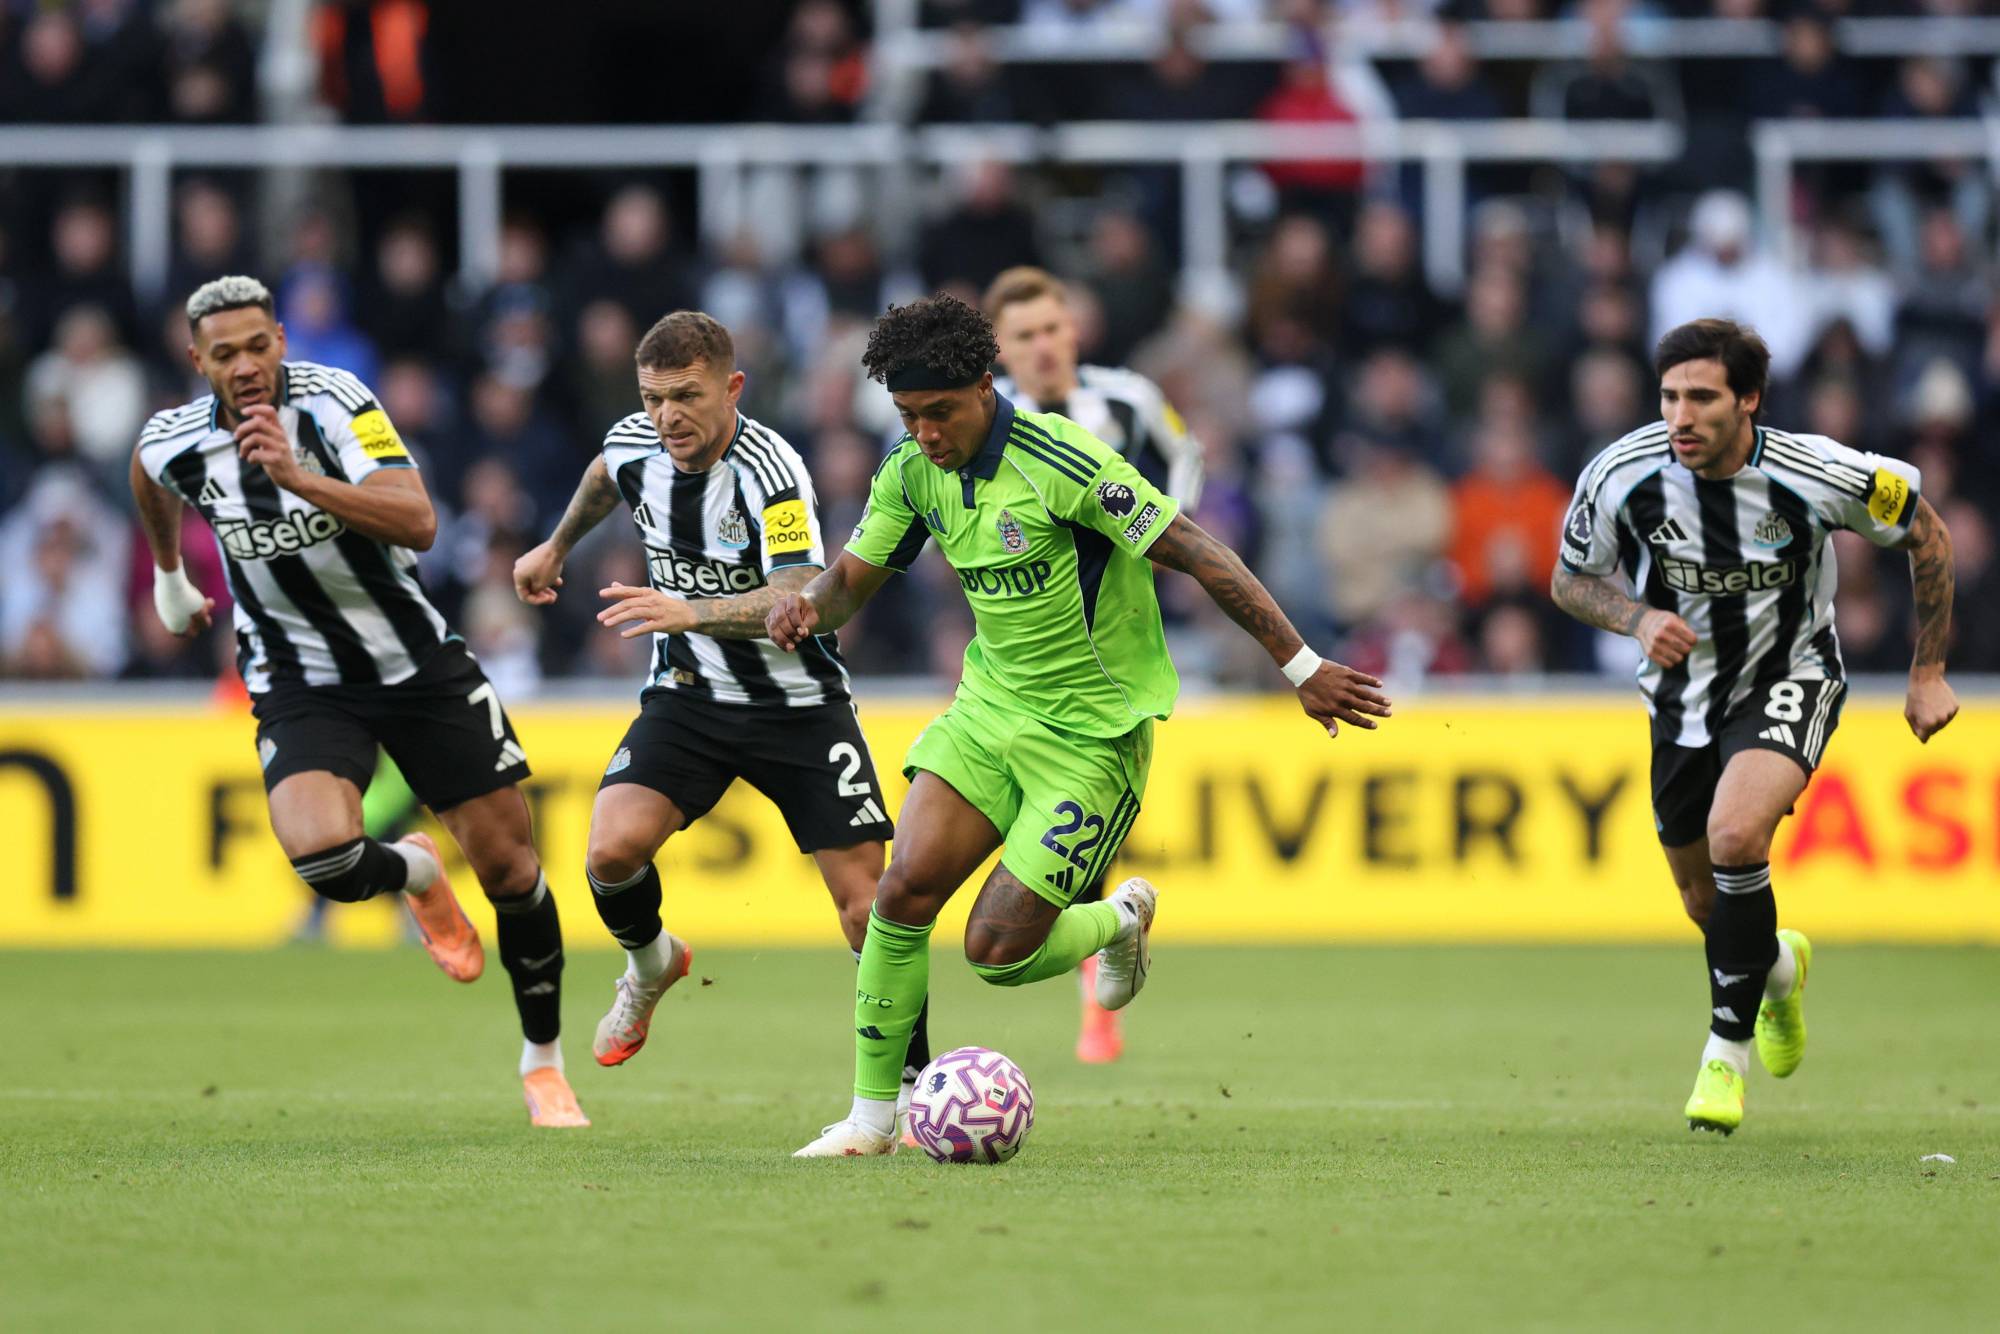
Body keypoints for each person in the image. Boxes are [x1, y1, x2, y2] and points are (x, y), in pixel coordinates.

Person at [771, 295, 1392, 1157]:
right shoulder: (912, 471)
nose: (926, 434)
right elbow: (851, 579)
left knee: (995, 954)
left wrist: (1302, 666)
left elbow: (1200, 551)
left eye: (940, 413)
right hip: (990, 712)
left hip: (1093, 737)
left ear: (984, 386)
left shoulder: (1063, 461)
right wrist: (809, 607)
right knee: (900, 895)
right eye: (910, 417)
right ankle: (874, 1120)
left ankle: (1121, 920)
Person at [130, 276, 587, 1129]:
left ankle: (543, 1064)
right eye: (224, 354)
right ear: (199, 363)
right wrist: (168, 577)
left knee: (511, 871)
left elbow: (417, 521)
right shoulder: (177, 440)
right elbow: (147, 473)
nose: (247, 365)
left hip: (414, 664)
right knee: (322, 859)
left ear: (280, 341)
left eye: (259, 345)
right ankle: (414, 869)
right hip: (299, 677)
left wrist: (297, 479)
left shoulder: (339, 403)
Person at [511, 311, 930, 1122]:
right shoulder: (638, 442)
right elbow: (606, 472)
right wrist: (555, 547)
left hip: (799, 707)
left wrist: (691, 611)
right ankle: (651, 964)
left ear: (731, 388)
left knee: (867, 907)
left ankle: (910, 1090)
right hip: (691, 700)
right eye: (653, 397)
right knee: (609, 852)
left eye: (686, 396)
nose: (667, 416)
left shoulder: (773, 472)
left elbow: (800, 596)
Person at [1552, 318, 1958, 1136]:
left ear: (1749, 400)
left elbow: (1926, 529)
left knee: (1737, 836)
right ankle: (1777, 969)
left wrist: (1927, 669)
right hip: (1679, 698)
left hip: (1791, 675)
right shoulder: (1621, 474)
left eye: (1702, 397)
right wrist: (1635, 618)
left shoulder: (1818, 471)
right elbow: (1570, 579)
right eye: (1669, 397)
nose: (1681, 416)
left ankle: (1722, 1056)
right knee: (1710, 906)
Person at [984, 264, 1204, 1064]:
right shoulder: (987, 421)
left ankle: (1096, 989)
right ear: (1000, 350)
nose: (1042, 347)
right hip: (1015, 653)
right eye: (1023, 337)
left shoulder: (1129, 402)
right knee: (1024, 815)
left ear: (1073, 328)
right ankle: (1105, 944)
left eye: (1052, 329)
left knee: (1078, 821)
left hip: (1109, 653)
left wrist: (1147, 542)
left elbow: (1186, 467)